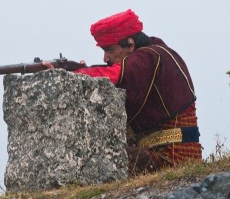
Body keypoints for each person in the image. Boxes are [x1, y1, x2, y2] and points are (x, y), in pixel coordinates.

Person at [73, 9, 202, 174]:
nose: (105, 58)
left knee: (95, 157)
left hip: (170, 158)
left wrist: (70, 75)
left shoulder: (147, 57)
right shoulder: (157, 52)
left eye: (110, 50)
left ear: (131, 44)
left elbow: (114, 75)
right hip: (166, 152)